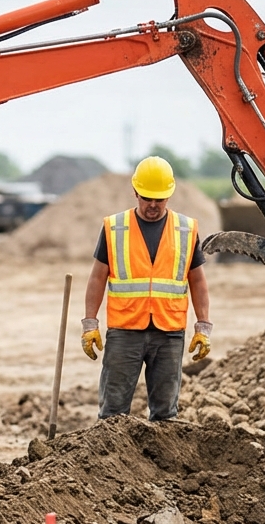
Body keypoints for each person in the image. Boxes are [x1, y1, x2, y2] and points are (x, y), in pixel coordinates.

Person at [80, 156, 212, 421]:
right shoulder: (115, 228)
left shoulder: (186, 230)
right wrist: (90, 324)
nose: (153, 205)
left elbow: (197, 280)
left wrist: (204, 326)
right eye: (147, 198)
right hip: (125, 331)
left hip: (169, 333)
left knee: (166, 414)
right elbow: (97, 278)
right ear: (135, 192)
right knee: (113, 414)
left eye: (159, 199)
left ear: (169, 195)